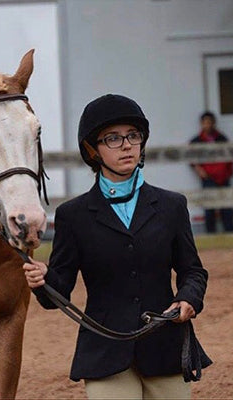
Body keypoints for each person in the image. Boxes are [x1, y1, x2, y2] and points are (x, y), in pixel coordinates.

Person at [23, 94, 212, 400]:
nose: (126, 145)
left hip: (164, 346)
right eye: (113, 138)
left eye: (133, 136)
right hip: (105, 353)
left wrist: (188, 299)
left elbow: (193, 271)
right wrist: (42, 280)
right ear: (91, 149)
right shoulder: (73, 216)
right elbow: (57, 292)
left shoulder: (172, 206)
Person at [190, 111, 233, 233]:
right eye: (205, 122)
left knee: (227, 208)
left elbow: (229, 156)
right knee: (209, 207)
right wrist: (199, 170)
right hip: (208, 177)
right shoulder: (197, 141)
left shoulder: (222, 138)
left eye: (210, 122)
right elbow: (190, 157)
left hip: (223, 177)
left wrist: (228, 172)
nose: (207, 125)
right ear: (201, 124)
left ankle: (230, 234)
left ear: (214, 123)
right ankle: (210, 234)